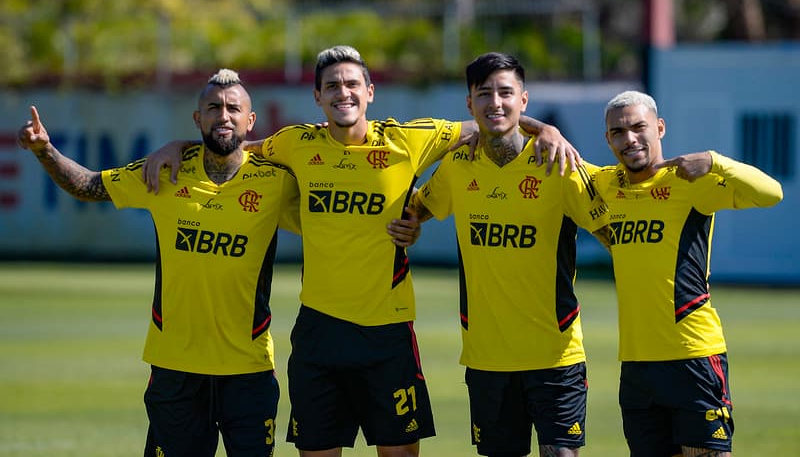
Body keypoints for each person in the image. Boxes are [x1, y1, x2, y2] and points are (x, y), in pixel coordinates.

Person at [142, 45, 581, 457]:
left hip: (387, 333)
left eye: (351, 83)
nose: (342, 92)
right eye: (331, 85)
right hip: (319, 332)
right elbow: (234, 146)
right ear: (317, 96)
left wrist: (544, 128)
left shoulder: (409, 139)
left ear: (370, 92)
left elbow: (493, 120)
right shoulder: (296, 143)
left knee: (399, 451)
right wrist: (179, 145)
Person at [17, 69, 303, 457]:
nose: (224, 116)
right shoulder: (164, 172)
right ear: (197, 118)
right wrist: (44, 150)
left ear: (250, 120)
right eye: (213, 108)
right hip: (175, 368)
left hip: (248, 370)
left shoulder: (277, 182)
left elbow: (334, 206)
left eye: (234, 108)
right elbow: (88, 184)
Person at [406, 52, 609, 457]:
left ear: (524, 100)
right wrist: (407, 223)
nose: (495, 103)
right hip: (487, 356)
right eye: (484, 94)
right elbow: (419, 208)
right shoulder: (457, 166)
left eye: (505, 93)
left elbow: (613, 234)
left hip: (556, 353)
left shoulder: (559, 163)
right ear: (469, 104)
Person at [593, 90, 783, 457]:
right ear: (608, 139)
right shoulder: (605, 185)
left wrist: (715, 161)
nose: (629, 139)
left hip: (692, 355)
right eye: (618, 132)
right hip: (636, 364)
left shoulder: (691, 183)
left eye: (638, 127)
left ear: (659, 128)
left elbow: (771, 193)